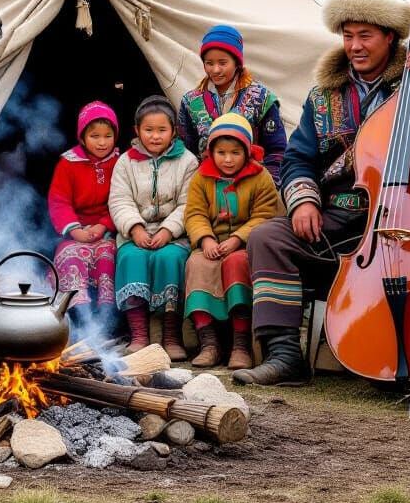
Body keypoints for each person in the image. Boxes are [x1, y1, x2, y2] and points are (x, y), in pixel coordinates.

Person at [233, 0, 410, 387]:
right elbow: (297, 159)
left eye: (365, 36)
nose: (354, 46)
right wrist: (304, 202)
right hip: (340, 220)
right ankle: (285, 355)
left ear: (390, 37)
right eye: (347, 35)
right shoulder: (323, 96)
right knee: (268, 238)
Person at [183, 113, 281, 369]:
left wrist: (238, 239)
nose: (228, 159)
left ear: (247, 152)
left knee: (237, 263)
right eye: (221, 152)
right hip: (212, 244)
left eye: (235, 152)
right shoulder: (201, 178)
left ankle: (241, 345)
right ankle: (210, 344)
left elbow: (265, 215)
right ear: (211, 152)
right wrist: (205, 240)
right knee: (198, 265)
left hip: (246, 246)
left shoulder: (260, 177)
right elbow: (195, 213)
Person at [110, 95, 199, 360]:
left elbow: (189, 203)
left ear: (174, 131)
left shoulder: (187, 162)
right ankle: (139, 335)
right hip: (134, 234)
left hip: (174, 236)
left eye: (162, 130)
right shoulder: (126, 162)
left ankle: (171, 337)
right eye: (149, 130)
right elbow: (120, 199)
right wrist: (135, 228)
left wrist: (168, 230)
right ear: (137, 130)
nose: (155, 136)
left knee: (170, 259)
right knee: (131, 258)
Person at [177, 24, 287, 185]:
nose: (215, 70)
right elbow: (186, 152)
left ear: (236, 62)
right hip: (206, 188)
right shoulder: (191, 101)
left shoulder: (261, 98)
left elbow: (277, 150)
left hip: (252, 186)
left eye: (223, 63)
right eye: (209, 63)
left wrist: (268, 187)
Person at [47, 101, 120, 328]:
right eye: (95, 136)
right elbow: (59, 201)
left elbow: (121, 199)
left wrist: (104, 226)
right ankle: (77, 317)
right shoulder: (68, 164)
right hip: (76, 232)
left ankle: (107, 320)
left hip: (107, 232)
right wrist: (75, 229)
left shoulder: (120, 162)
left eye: (108, 136)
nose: (102, 142)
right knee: (71, 256)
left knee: (107, 256)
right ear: (82, 136)